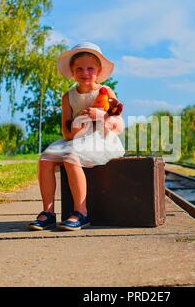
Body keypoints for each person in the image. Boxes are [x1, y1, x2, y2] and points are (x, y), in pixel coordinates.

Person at [28, 42, 125, 231]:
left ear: (98, 71)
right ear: (72, 72)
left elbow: (116, 121)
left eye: (90, 68)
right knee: (45, 159)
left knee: (71, 157)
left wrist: (100, 116)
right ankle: (48, 212)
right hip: (76, 137)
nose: (85, 72)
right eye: (79, 69)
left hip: (99, 137)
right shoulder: (68, 96)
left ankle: (81, 211)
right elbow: (66, 130)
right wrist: (76, 128)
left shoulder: (105, 92)